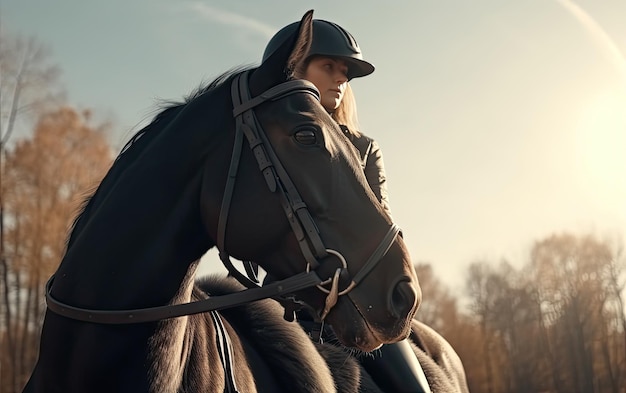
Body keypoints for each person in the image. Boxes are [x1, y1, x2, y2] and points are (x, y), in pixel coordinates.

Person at [261, 18, 431, 393]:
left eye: (344, 73)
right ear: (292, 69)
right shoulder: (262, 148)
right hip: (277, 303)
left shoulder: (364, 148)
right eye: (328, 67)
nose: (340, 78)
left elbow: (379, 228)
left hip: (358, 302)